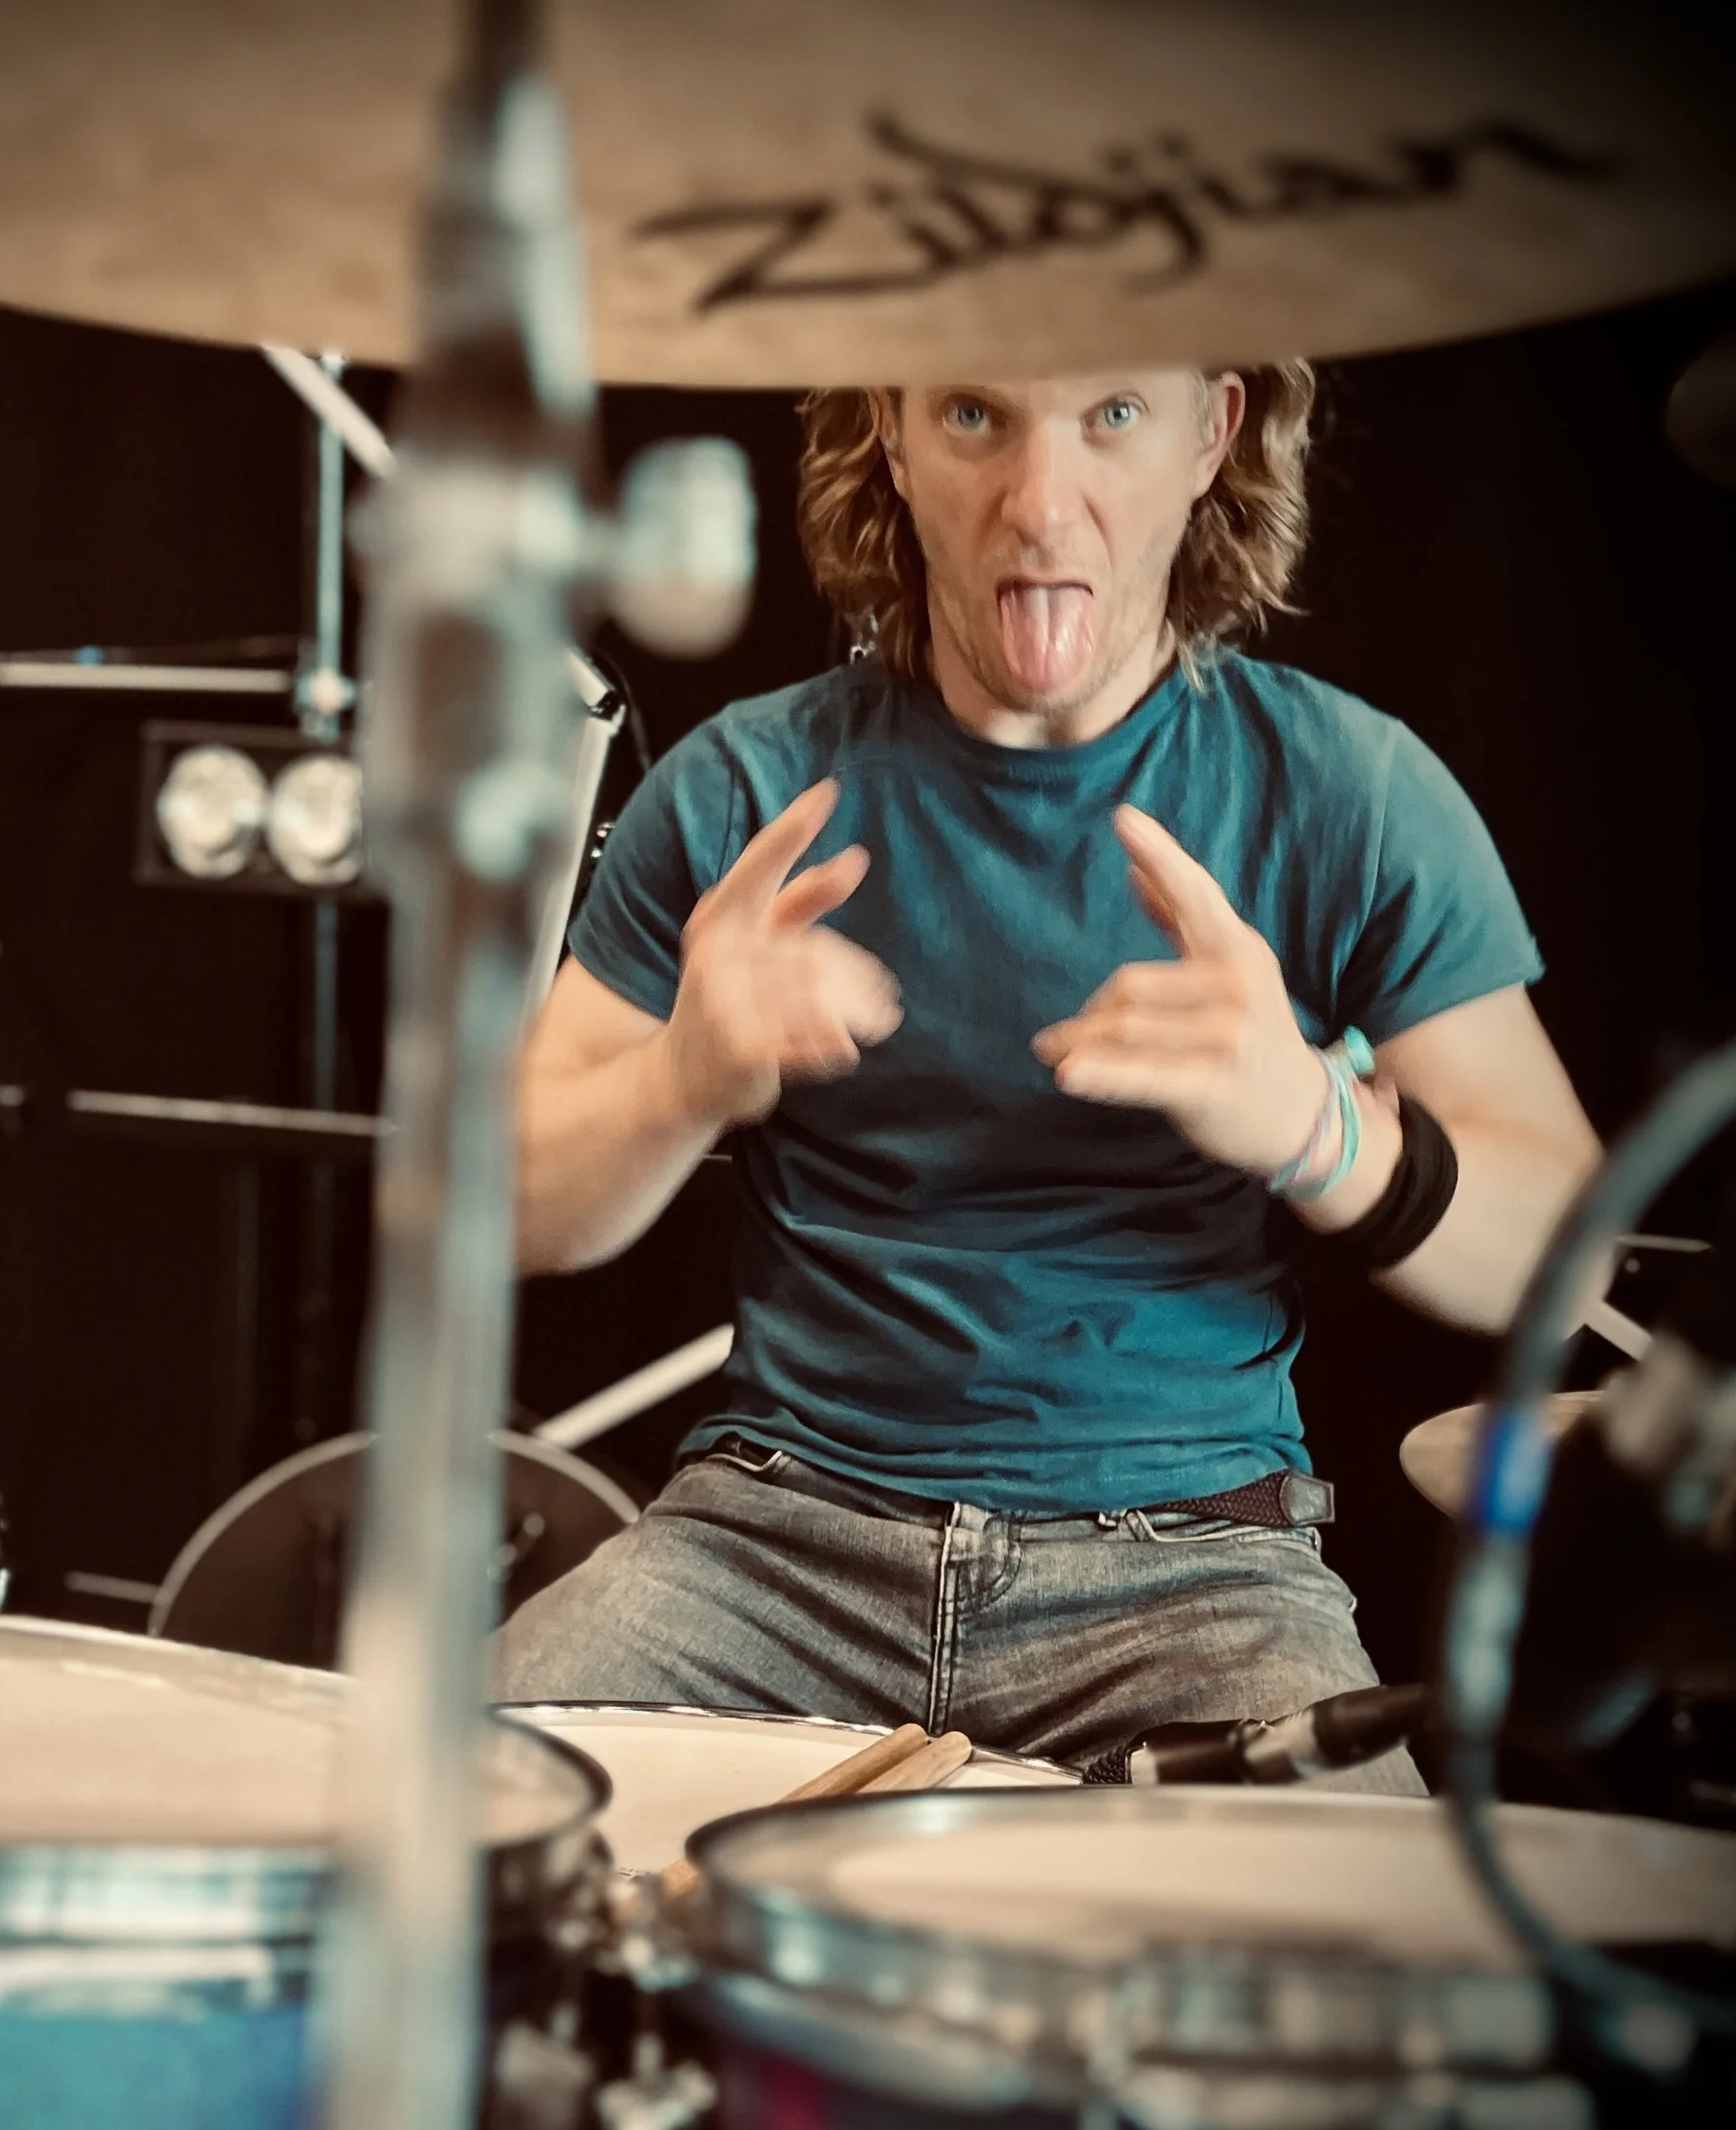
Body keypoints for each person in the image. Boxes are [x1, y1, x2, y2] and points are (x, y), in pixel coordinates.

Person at [492, 363, 1600, 1792]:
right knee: (452, 1825)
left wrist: (1323, 1129)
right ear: (889, 429)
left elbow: (1565, 1261)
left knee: (1363, 1948)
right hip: (770, 1548)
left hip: (1196, 1574)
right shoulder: (745, 789)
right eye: (975, 416)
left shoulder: (1347, 791)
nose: (1040, 501)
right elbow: (505, 1211)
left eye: (1113, 418)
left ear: (1215, 431)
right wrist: (680, 1080)